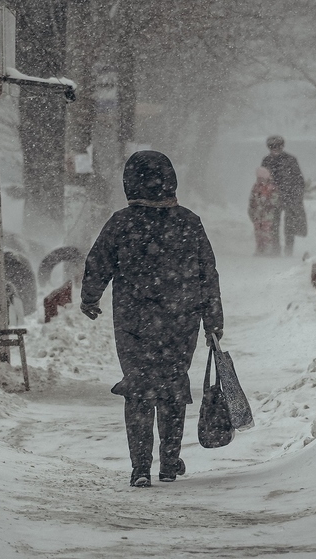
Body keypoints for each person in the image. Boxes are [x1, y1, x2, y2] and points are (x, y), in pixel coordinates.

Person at [80, 150, 224, 488]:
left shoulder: (121, 222)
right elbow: (208, 274)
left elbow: (98, 261)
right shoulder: (188, 222)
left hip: (133, 321)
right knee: (174, 386)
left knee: (139, 386)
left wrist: (90, 296)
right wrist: (212, 319)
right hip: (180, 319)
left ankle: (140, 467)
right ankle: (169, 462)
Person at [261, 135, 307, 256]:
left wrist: (297, 196)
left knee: (289, 225)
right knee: (273, 225)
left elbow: (299, 179)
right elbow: (262, 180)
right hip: (273, 198)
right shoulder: (266, 161)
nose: (275, 149)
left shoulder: (291, 160)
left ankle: (288, 250)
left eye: (277, 146)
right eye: (272, 146)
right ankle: (276, 249)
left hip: (289, 197)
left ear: (282, 146)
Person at [248, 166, 280, 255]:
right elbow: (252, 199)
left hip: (267, 214)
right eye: (258, 178)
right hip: (257, 214)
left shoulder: (271, 187)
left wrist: (268, 203)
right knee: (258, 232)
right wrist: (252, 209)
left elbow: (275, 199)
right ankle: (259, 248)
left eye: (262, 178)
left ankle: (267, 248)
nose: (260, 180)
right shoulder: (255, 187)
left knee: (266, 232)